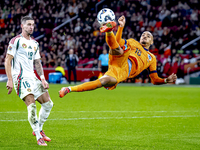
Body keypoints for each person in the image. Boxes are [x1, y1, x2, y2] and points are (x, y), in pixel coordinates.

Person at [59, 15, 177, 98]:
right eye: (143, 34)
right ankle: (109, 31)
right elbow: (119, 41)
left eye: (148, 36)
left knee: (102, 81)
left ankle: (68, 89)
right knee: (120, 49)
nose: (144, 36)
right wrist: (120, 27)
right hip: (122, 59)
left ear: (152, 41)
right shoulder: (133, 42)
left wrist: (166, 80)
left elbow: (154, 80)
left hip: (121, 72)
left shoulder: (152, 58)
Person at [5, 16, 53, 146]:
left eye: (32, 24)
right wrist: (9, 79)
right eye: (28, 25)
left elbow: (37, 62)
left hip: (32, 77)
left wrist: (42, 78)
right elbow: (7, 60)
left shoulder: (35, 43)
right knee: (31, 106)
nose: (31, 27)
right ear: (22, 26)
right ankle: (38, 136)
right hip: (20, 78)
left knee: (48, 104)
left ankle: (39, 128)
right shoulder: (16, 41)